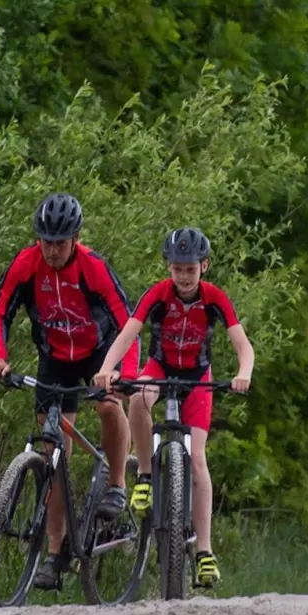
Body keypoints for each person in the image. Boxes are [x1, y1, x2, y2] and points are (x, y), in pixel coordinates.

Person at [0, 192, 138, 590]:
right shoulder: (26, 264)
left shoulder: (93, 268)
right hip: (54, 356)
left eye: (60, 242)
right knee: (53, 456)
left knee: (107, 407)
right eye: (45, 241)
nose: (52, 250)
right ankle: (54, 554)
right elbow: (0, 313)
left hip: (99, 351)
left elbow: (129, 323)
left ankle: (118, 483)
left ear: (75, 237)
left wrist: (123, 373)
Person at [93, 227, 253, 589]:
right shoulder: (158, 295)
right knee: (137, 398)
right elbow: (128, 333)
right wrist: (106, 369)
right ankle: (146, 476)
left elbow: (242, 344)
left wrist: (244, 373)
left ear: (204, 266)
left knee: (197, 459)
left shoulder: (214, 298)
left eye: (190, 268)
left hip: (198, 378)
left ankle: (205, 553)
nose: (182, 275)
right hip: (160, 369)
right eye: (177, 268)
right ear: (169, 267)